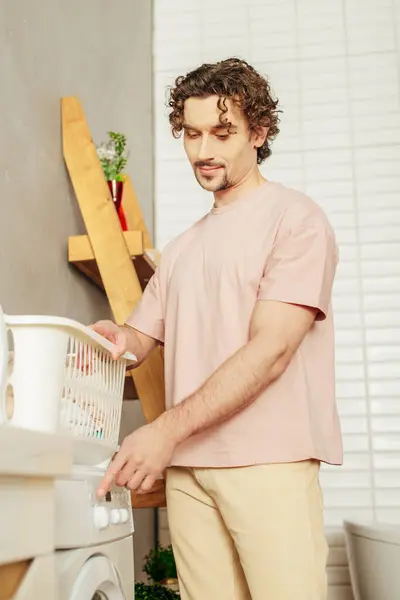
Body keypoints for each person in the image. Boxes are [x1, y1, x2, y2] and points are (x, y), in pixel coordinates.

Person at [93, 58, 342, 600]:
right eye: (192, 133)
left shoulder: (296, 220)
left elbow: (272, 350)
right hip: (188, 470)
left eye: (222, 133)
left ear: (260, 131)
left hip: (267, 462)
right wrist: (116, 341)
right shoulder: (182, 249)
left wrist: (162, 432)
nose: (204, 151)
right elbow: (141, 338)